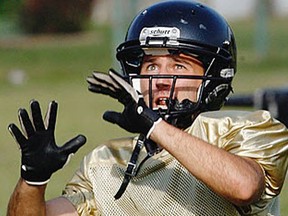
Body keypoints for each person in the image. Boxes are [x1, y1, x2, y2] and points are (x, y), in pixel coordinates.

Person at [7, 1, 288, 215]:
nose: (161, 80)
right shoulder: (107, 162)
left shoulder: (247, 128)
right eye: (151, 65)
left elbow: (244, 187)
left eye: (179, 65)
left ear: (213, 76)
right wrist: (33, 178)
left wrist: (155, 126)